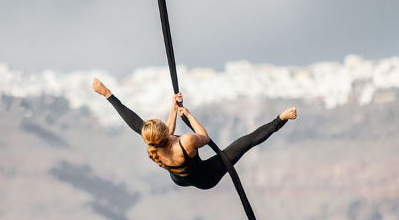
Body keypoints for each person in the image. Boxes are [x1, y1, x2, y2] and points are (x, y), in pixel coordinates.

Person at [92, 78, 296, 190]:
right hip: (205, 177)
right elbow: (204, 138)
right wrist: (188, 115)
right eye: (160, 122)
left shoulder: (153, 144)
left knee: (142, 128)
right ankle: (280, 119)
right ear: (163, 131)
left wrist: (106, 93)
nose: (160, 120)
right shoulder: (186, 141)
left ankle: (105, 93)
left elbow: (133, 120)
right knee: (243, 144)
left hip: (179, 178)